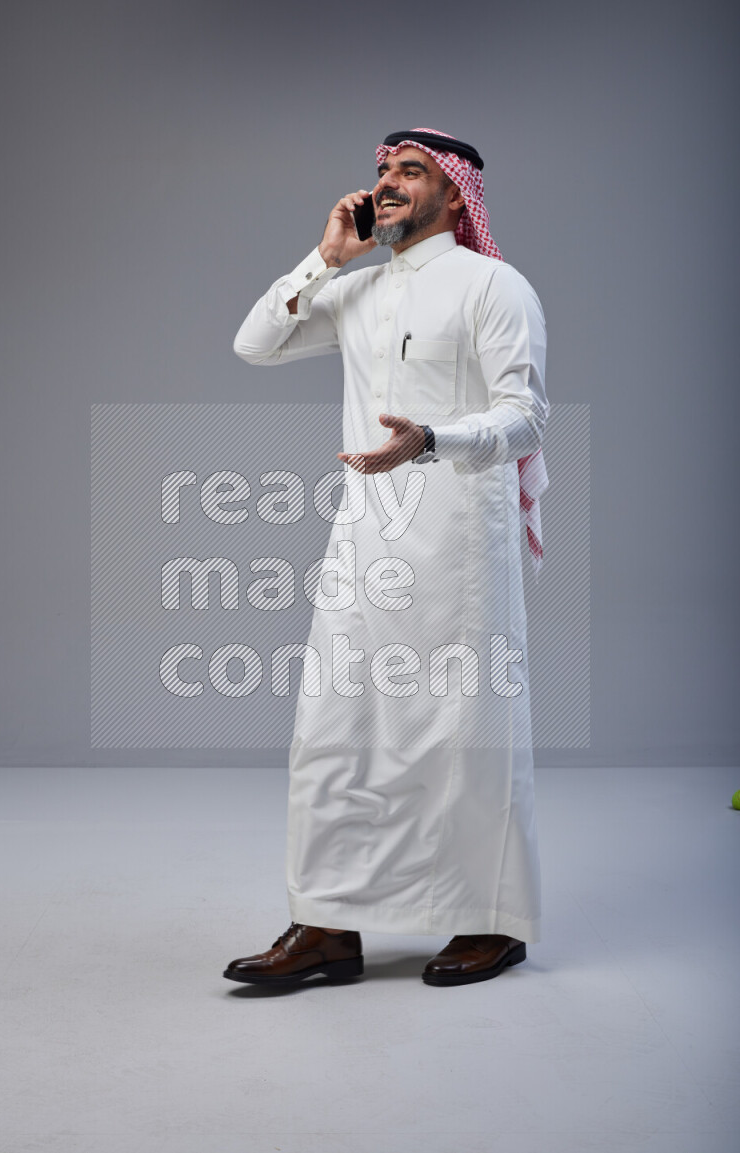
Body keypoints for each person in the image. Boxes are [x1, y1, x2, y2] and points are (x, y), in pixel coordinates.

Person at [225, 128, 549, 988]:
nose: (389, 183)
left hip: (459, 543)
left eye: (411, 171)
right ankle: (326, 922)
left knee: (462, 731)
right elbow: (254, 344)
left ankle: (490, 920)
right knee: (334, 728)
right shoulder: (357, 289)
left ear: (455, 194)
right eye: (382, 172)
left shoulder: (494, 285)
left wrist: (433, 440)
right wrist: (324, 259)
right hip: (366, 540)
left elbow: (527, 416)